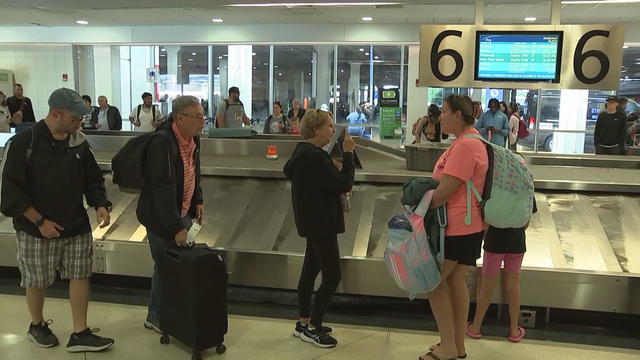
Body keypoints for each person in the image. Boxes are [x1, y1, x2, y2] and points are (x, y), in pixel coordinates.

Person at [0, 88, 115, 352]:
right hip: (35, 228)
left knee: (80, 274)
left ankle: (80, 331)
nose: (79, 123)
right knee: (36, 279)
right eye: (75, 118)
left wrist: (100, 204)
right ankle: (37, 325)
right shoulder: (23, 144)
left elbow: (93, 179)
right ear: (55, 114)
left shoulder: (78, 142)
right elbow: (10, 195)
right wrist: (40, 222)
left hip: (75, 224)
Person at [421, 94, 488, 360]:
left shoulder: (464, 146)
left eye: (446, 112)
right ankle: (457, 345)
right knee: (455, 280)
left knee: (433, 282)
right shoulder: (471, 141)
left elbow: (444, 192)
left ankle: (448, 346)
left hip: (457, 227)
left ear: (458, 115)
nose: (441, 116)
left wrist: (419, 208)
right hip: (469, 226)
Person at [283, 109, 355, 348]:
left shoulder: (302, 153)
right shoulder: (315, 157)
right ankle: (313, 327)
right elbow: (343, 182)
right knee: (332, 275)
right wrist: (348, 155)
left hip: (311, 222)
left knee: (310, 270)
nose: (332, 130)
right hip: (322, 223)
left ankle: (303, 321)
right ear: (316, 129)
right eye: (329, 126)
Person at [136, 95, 204, 333]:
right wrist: (176, 228)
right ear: (180, 118)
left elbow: (195, 170)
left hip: (182, 211)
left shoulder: (193, 138)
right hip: (161, 217)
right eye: (197, 116)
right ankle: (155, 316)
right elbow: (161, 189)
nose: (202, 120)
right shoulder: (162, 143)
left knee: (179, 267)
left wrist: (198, 200)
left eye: (202, 115)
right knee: (165, 266)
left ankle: (174, 312)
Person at [467, 166, 537, 344]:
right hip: (517, 241)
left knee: (487, 285)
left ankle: (475, 327)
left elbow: (485, 218)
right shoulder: (526, 189)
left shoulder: (495, 189)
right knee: (513, 284)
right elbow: (527, 220)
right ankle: (514, 329)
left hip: (494, 242)